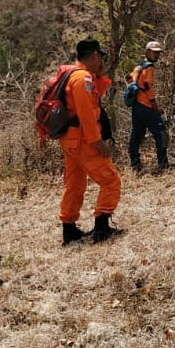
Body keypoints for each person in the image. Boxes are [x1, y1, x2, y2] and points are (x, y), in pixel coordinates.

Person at [58, 38, 124, 245]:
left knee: (75, 184)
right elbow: (87, 114)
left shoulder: (74, 76)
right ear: (94, 55)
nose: (102, 61)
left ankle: (69, 231)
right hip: (83, 141)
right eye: (100, 57)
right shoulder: (82, 79)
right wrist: (98, 142)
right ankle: (102, 227)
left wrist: (100, 75)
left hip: (70, 141)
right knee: (110, 180)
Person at [127, 40, 170, 172]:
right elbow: (147, 87)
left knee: (137, 134)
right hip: (146, 106)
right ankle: (163, 163)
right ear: (147, 52)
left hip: (136, 106)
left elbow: (129, 79)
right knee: (161, 133)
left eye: (158, 53)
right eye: (154, 52)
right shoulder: (149, 66)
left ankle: (135, 163)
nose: (157, 55)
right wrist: (155, 106)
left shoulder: (139, 66)